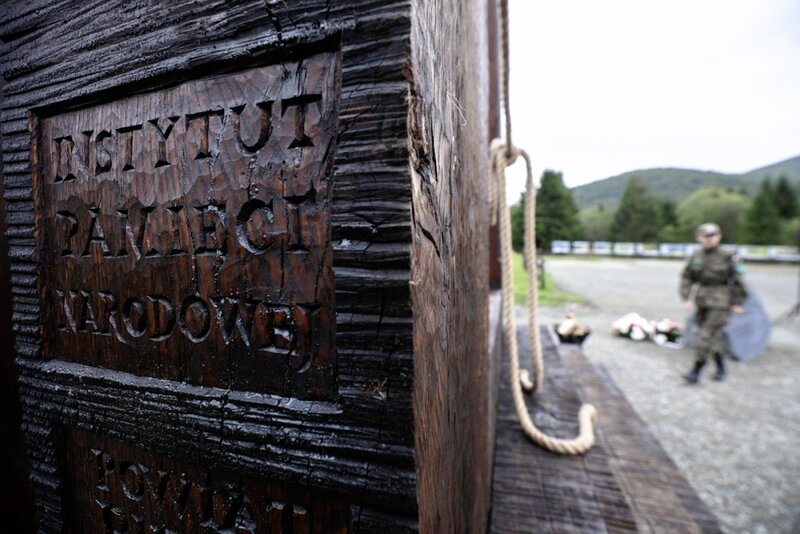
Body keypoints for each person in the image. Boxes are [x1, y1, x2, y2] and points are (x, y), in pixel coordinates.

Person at [680, 223, 747, 383]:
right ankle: (720, 367)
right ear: (699, 238)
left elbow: (739, 280)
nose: (710, 239)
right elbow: (687, 277)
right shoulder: (696, 256)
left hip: (721, 301)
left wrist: (738, 302)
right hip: (702, 300)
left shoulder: (729, 256)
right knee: (713, 337)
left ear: (719, 236)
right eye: (706, 236)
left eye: (713, 236)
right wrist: (686, 297)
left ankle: (696, 370)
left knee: (705, 335)